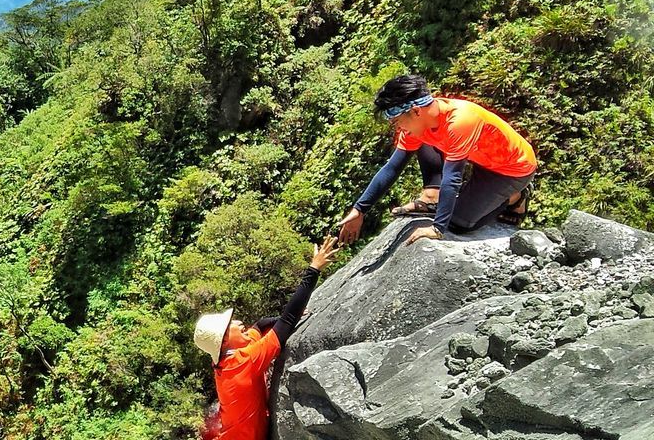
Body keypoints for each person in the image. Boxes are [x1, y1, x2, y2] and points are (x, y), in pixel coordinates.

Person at [337, 74, 538, 247]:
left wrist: (438, 228)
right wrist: (359, 209)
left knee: (458, 222)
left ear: (415, 111)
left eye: (397, 121)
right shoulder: (420, 120)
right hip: (481, 159)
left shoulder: (460, 121)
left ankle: (515, 197)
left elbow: (453, 178)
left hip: (512, 168)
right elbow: (393, 167)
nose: (397, 128)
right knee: (422, 137)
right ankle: (433, 196)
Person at [195, 236, 340, 440]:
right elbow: (288, 321)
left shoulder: (226, 358)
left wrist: (282, 318)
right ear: (225, 340)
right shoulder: (242, 362)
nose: (238, 323)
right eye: (231, 325)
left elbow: (260, 324)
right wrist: (314, 269)